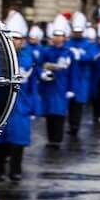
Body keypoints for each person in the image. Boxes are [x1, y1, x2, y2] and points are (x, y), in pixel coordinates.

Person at [0, 11, 38, 182]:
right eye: (12, 38)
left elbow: (33, 85)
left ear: (23, 41)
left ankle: (15, 171)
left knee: (18, 140)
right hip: (1, 105)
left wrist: (34, 107)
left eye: (17, 38)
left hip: (21, 106)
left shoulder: (28, 58)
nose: (14, 41)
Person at [37, 15, 72, 147]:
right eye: (55, 36)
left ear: (64, 37)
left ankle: (57, 139)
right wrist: (43, 74)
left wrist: (71, 88)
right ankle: (51, 139)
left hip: (62, 86)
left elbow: (72, 72)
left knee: (59, 113)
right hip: (49, 86)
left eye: (60, 36)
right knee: (50, 114)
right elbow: (39, 66)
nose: (57, 38)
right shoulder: (45, 51)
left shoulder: (68, 52)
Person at [66, 12, 92, 137]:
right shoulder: (68, 43)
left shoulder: (87, 44)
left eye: (79, 32)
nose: (77, 34)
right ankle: (71, 124)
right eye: (75, 31)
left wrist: (80, 55)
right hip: (69, 77)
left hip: (81, 78)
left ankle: (75, 125)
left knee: (78, 104)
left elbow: (90, 57)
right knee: (70, 104)